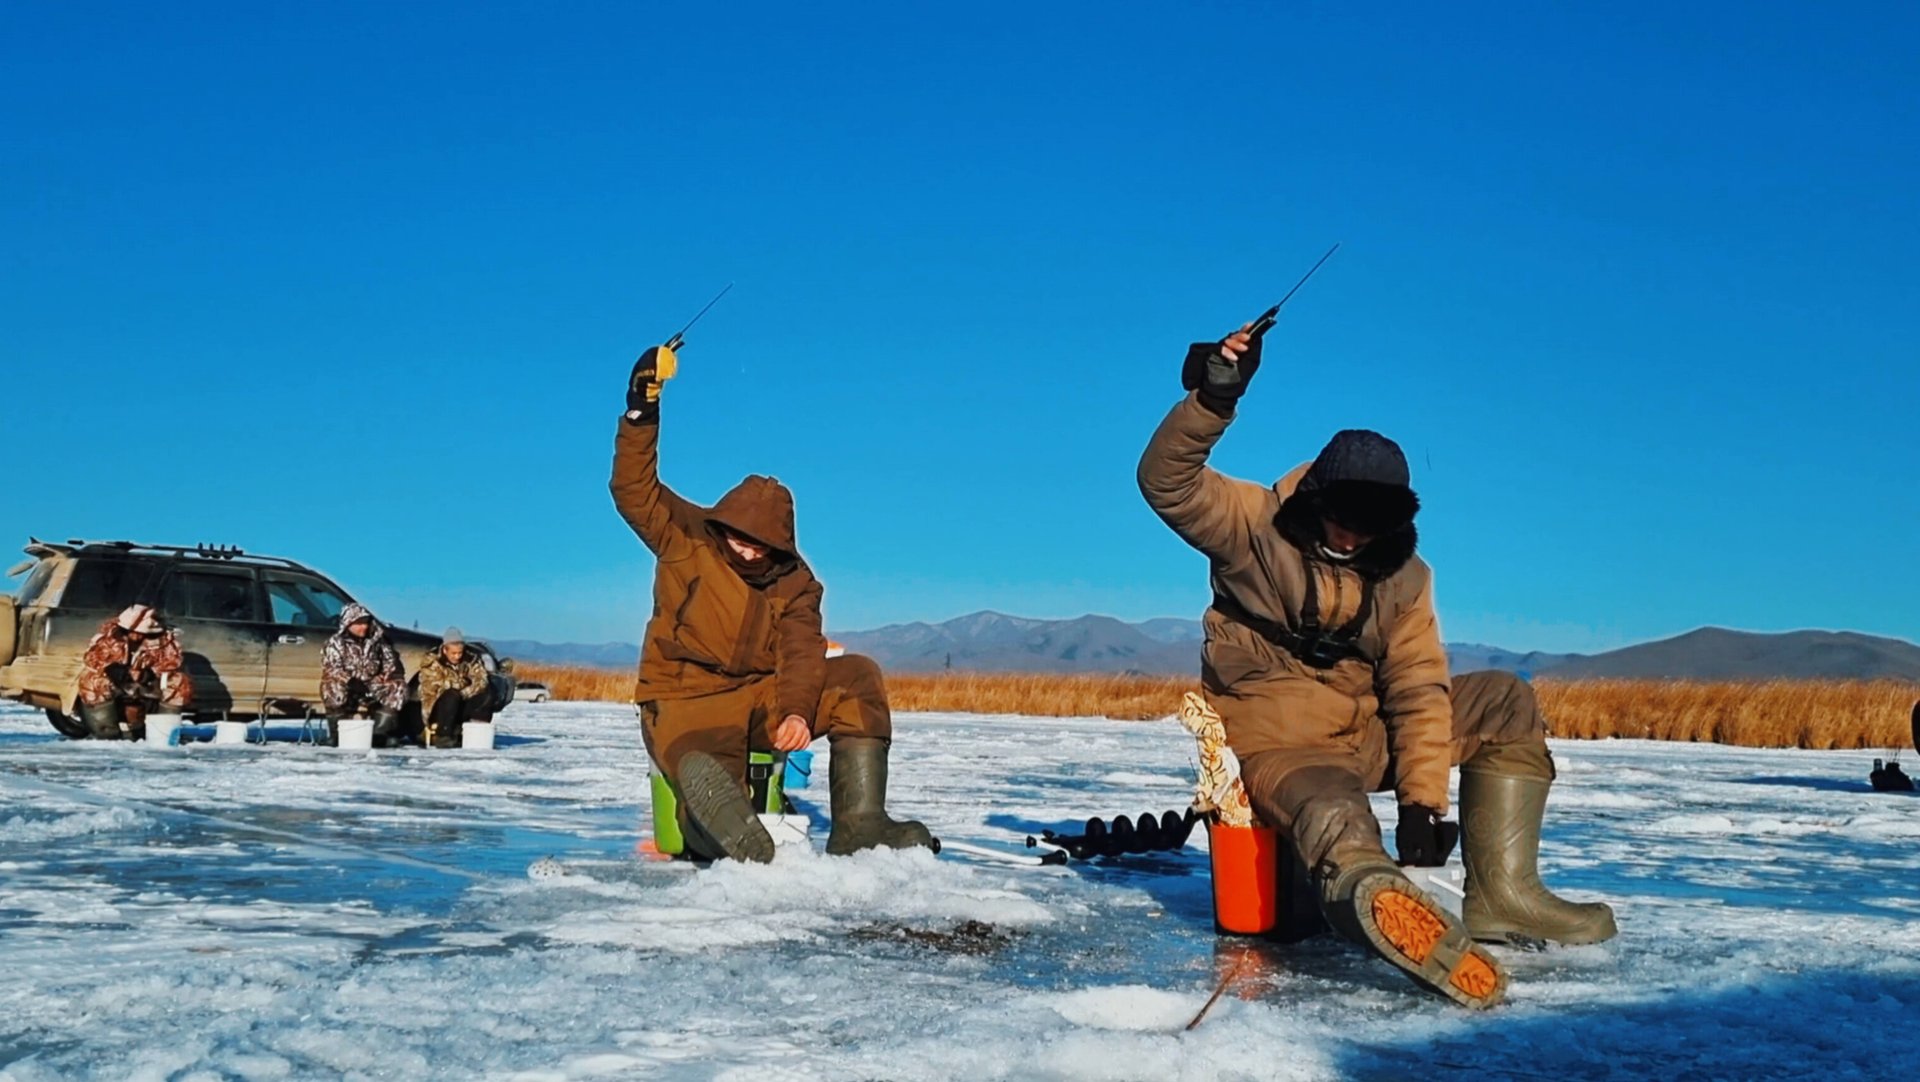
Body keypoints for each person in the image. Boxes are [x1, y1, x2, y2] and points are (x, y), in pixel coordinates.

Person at [1138, 321, 1615, 1008]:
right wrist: (1215, 399)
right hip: (1279, 744)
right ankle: (1372, 895)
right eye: (1342, 519)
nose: (1353, 536)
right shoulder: (1250, 526)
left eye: (1371, 525)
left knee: (1503, 699)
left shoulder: (1406, 577)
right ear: (1317, 500)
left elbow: (1419, 688)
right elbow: (1166, 481)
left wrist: (1423, 804)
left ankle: (1505, 897)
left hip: (1364, 734)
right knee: (1336, 814)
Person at [610, 340, 934, 864]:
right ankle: (713, 827)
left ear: (781, 544)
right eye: (740, 536)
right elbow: (632, 486)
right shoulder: (683, 534)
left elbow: (802, 650)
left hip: (759, 695)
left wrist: (798, 713)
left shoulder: (796, 581)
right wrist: (642, 406)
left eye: (761, 543)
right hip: (684, 699)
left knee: (857, 678)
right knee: (706, 779)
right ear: (724, 523)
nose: (747, 548)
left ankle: (860, 825)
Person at [75, 604, 192, 740]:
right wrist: (112, 669)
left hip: (148, 685)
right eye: (132, 630)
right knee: (93, 679)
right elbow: (93, 660)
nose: (136, 635)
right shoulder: (108, 638)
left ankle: (164, 730)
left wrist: (151, 674)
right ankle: (106, 731)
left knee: (179, 681)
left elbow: (172, 663)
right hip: (120, 685)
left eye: (140, 632)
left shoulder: (164, 641)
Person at [320, 602, 409, 747]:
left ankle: (379, 734)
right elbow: (332, 668)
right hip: (348, 683)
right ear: (348, 623)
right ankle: (337, 734)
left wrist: (388, 676)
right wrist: (350, 681)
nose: (364, 627)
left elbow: (390, 662)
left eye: (366, 623)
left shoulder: (378, 641)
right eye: (359, 623)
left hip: (372, 682)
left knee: (398, 687)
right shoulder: (335, 643)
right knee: (331, 685)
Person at [418, 627, 493, 748]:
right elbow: (433, 689)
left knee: (486, 694)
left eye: (460, 653)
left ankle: (475, 732)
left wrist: (464, 692)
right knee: (451, 695)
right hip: (438, 707)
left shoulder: (471, 659)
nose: (457, 657)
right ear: (445, 650)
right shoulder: (432, 662)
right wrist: (464, 684)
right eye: (453, 653)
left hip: (462, 701)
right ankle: (443, 736)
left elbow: (481, 681)